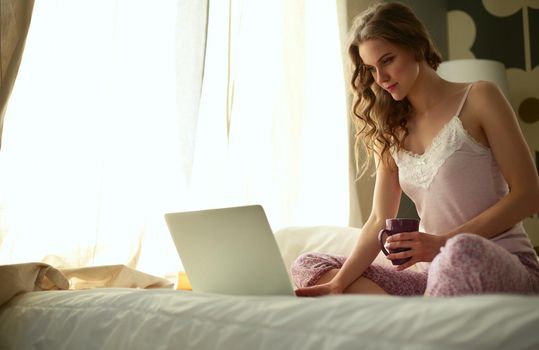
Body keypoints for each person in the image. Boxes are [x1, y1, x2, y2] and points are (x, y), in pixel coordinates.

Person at [291, 1, 539, 297]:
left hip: (500, 263)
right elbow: (376, 221)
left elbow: (528, 196)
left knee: (459, 252)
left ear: (415, 45)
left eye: (387, 60)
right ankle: (411, 322)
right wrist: (339, 284)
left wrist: (442, 242)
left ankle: (421, 318)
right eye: (370, 69)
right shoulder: (392, 130)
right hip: (431, 276)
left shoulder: (479, 97)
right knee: (308, 265)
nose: (380, 79)